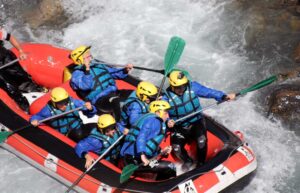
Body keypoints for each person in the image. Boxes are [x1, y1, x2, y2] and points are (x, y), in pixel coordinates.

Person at [162, 70, 236, 171]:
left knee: (201, 141)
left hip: (196, 122)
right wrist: (168, 121)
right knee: (176, 148)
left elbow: (209, 92)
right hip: (180, 127)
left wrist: (223, 96)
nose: (182, 89)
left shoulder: (193, 87)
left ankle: (201, 164)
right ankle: (188, 161)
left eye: (183, 86)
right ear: (172, 86)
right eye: (178, 87)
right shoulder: (166, 97)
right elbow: (162, 113)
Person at [69, 45, 133, 121]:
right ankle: (118, 125)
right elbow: (86, 86)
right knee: (115, 100)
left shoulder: (98, 65)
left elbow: (115, 73)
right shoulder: (76, 75)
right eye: (86, 55)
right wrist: (87, 70)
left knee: (134, 94)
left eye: (89, 53)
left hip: (114, 92)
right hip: (100, 101)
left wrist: (125, 70)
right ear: (79, 60)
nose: (90, 55)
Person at [121, 100, 176, 180]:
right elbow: (141, 136)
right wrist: (142, 155)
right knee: (170, 166)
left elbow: (149, 143)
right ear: (158, 112)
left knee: (167, 167)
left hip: (135, 157)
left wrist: (161, 151)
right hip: (133, 159)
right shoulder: (153, 120)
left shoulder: (151, 119)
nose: (167, 116)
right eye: (165, 113)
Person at [0, 27, 44, 112]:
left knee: (21, 76)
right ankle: (24, 107)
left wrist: (20, 51)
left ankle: (36, 91)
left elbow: (10, 37)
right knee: (9, 87)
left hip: (6, 58)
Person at [30, 87, 97, 142]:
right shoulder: (47, 111)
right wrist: (34, 120)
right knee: (78, 135)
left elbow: (90, 114)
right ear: (54, 103)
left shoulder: (73, 102)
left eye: (65, 102)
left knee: (95, 127)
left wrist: (91, 109)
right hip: (66, 136)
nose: (64, 106)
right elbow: (37, 117)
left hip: (80, 127)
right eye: (60, 103)